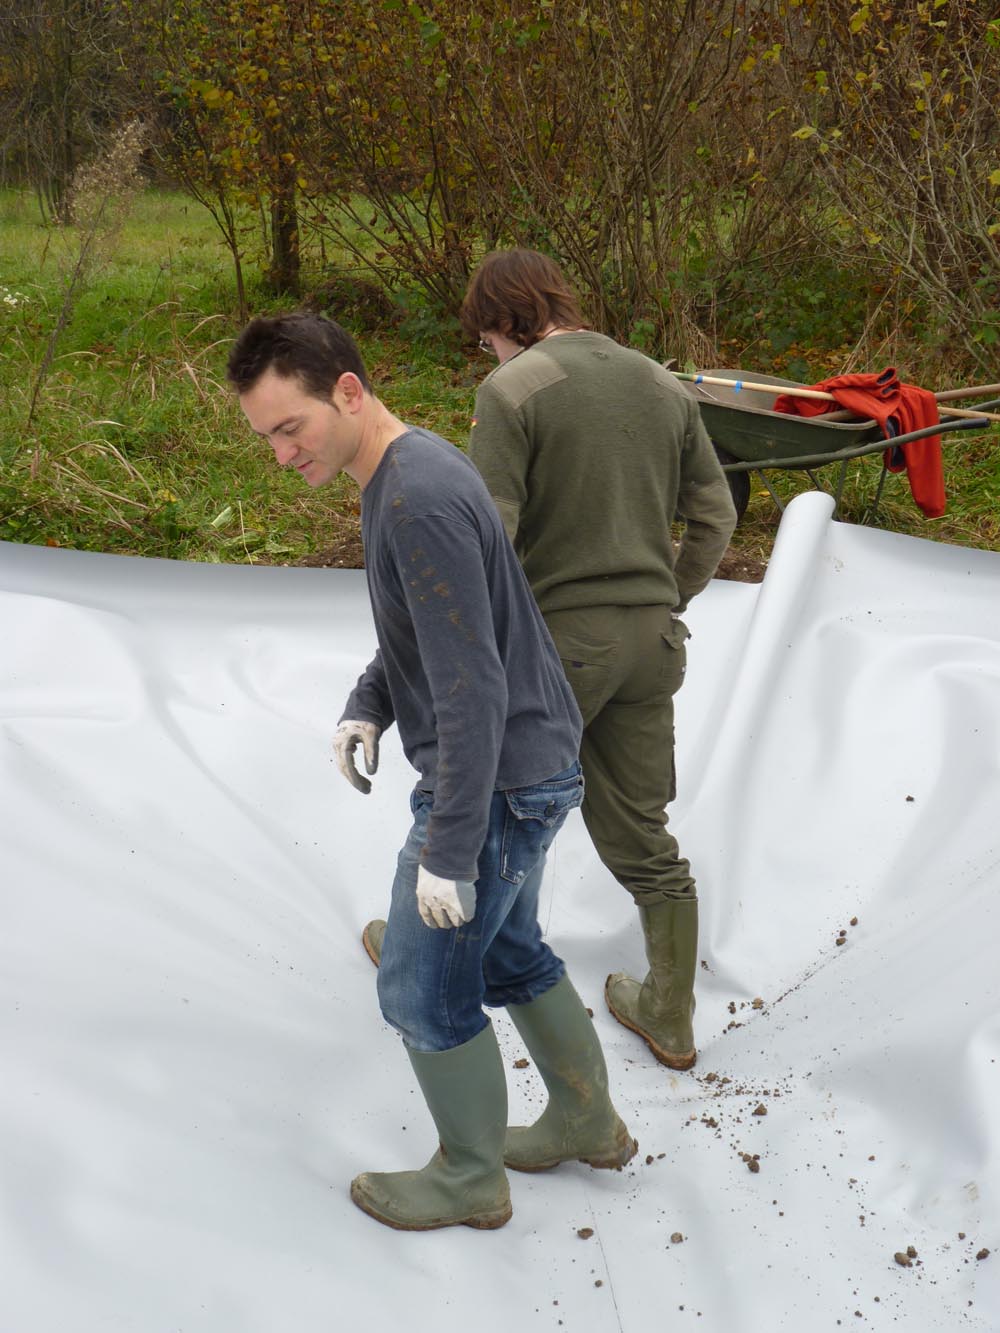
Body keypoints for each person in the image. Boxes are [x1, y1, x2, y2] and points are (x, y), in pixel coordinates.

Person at [227, 312, 635, 1233]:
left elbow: (474, 686)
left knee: (419, 984)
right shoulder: (403, 471)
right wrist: (368, 699)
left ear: (347, 390)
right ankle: (585, 1118)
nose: (282, 454)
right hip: (525, 768)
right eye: (266, 438)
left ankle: (469, 1174)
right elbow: (430, 631)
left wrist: (450, 848)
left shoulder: (415, 500)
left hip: (493, 783)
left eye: (290, 427)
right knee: (505, 948)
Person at [459, 250, 737, 1071]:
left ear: (502, 320)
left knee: (488, 800)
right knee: (641, 828)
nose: (490, 356)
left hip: (557, 646)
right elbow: (716, 516)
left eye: (485, 339)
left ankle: (429, 951)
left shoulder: (510, 392)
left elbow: (491, 535)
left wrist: (473, 646)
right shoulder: (662, 383)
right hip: (653, 646)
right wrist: (667, 595)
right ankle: (670, 1013)